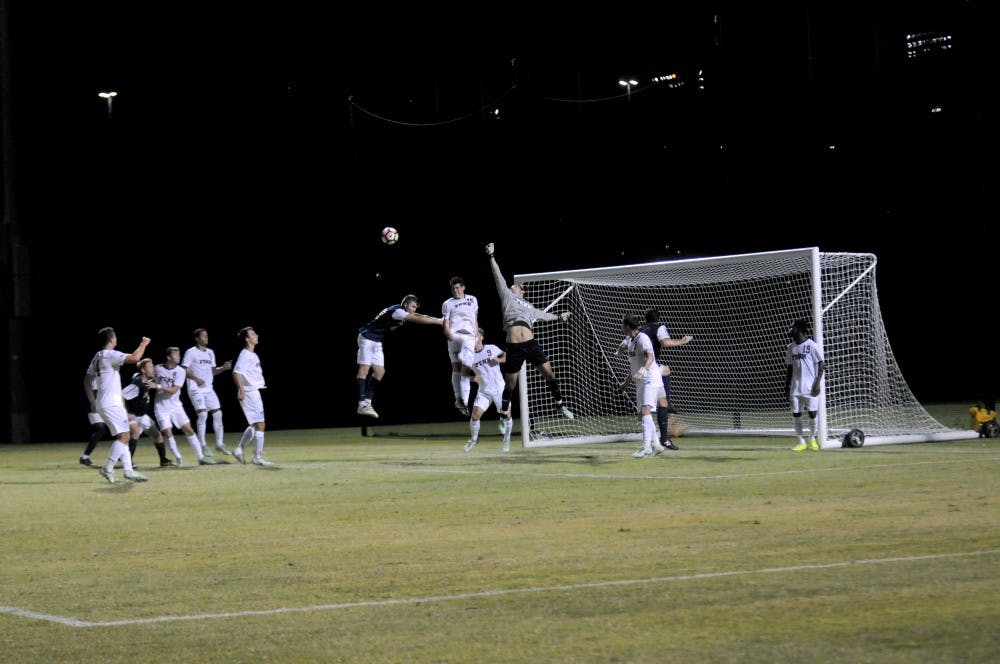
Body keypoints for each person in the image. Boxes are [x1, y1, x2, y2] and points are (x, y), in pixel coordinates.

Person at [485, 242, 574, 420]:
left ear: (522, 291)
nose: (513, 286)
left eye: (516, 286)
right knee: (510, 385)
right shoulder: (507, 297)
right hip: (514, 347)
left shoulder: (530, 307)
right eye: (512, 285)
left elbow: (543, 315)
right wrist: (491, 256)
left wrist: (559, 317)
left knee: (549, 373)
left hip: (531, 344)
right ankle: (503, 415)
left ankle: (560, 405)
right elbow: (498, 276)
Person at [356, 294, 444, 418]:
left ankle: (367, 403)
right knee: (364, 369)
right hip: (367, 338)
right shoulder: (398, 311)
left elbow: (418, 316)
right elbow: (418, 319)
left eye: (415, 308)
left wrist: (438, 319)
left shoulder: (399, 311)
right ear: (405, 304)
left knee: (380, 372)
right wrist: (439, 321)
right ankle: (361, 404)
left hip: (376, 340)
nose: (414, 310)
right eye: (412, 306)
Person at [84, 327, 151, 483]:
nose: (116, 339)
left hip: (105, 402)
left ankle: (128, 471)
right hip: (111, 403)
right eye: (115, 337)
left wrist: (92, 401)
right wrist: (143, 344)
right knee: (125, 436)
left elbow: (87, 381)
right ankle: (108, 468)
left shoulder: (97, 356)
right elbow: (135, 358)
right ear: (111, 339)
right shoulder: (110, 355)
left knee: (124, 435)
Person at [640, 308, 693, 450]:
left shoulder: (641, 330)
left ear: (645, 318)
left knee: (658, 402)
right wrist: (682, 341)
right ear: (658, 318)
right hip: (651, 369)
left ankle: (663, 439)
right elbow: (665, 342)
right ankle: (654, 442)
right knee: (648, 409)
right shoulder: (659, 328)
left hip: (642, 368)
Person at [154, 347, 216, 466]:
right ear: (169, 357)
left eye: (179, 355)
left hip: (176, 406)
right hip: (161, 407)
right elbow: (150, 376)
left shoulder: (180, 371)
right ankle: (179, 459)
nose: (179, 357)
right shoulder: (158, 368)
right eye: (176, 355)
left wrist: (157, 386)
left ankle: (201, 458)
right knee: (168, 433)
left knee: (189, 430)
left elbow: (173, 390)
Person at [617, 314, 667, 458]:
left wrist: (642, 371)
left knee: (646, 411)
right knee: (642, 415)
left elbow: (650, 357)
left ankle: (646, 448)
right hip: (641, 381)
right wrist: (625, 384)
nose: (621, 327)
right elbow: (634, 366)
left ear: (627, 326)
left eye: (622, 324)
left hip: (651, 379)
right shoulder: (631, 341)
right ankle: (657, 445)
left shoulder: (642, 338)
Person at [182, 328, 233, 457]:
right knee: (203, 415)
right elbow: (183, 370)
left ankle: (219, 444)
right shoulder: (191, 352)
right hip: (195, 388)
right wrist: (195, 378)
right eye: (203, 336)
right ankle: (203, 445)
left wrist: (224, 368)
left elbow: (213, 371)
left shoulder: (210, 352)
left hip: (208, 388)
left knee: (218, 414)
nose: (206, 338)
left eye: (207, 336)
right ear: (197, 338)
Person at [463, 328, 514, 453]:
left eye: (475, 336)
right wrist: (473, 378)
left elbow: (507, 356)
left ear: (481, 337)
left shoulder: (491, 348)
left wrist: (499, 360)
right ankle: (474, 440)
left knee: (507, 416)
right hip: (484, 391)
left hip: (499, 389)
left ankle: (506, 441)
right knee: (475, 417)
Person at [232, 326, 272, 466]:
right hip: (249, 392)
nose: (256, 335)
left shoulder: (252, 354)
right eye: (253, 334)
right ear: (247, 339)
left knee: (255, 424)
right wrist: (242, 390)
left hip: (253, 391)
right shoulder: (245, 354)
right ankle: (257, 457)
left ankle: (239, 449)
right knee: (261, 424)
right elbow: (236, 372)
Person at [123, 357, 171, 467]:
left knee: (158, 435)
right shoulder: (137, 383)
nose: (152, 368)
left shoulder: (147, 381)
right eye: (149, 367)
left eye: (152, 366)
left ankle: (163, 460)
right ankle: (128, 462)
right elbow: (122, 395)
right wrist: (126, 413)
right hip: (132, 415)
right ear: (143, 370)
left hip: (142, 415)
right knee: (135, 434)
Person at [785, 319, 825, 451]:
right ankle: (801, 442)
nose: (790, 330)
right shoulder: (790, 348)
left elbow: (821, 363)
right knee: (796, 415)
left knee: (813, 414)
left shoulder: (812, 345)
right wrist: (787, 387)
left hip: (811, 387)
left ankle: (812, 438)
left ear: (799, 329)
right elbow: (790, 368)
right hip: (795, 388)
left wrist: (818, 383)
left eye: (792, 328)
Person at [442, 275, 479, 416]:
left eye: (457, 287)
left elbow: (475, 319)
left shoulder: (472, 299)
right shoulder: (447, 303)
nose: (455, 290)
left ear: (463, 288)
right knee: (456, 368)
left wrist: (476, 337)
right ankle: (458, 398)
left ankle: (464, 402)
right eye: (453, 288)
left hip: (468, 336)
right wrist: (447, 333)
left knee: (465, 369)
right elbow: (445, 323)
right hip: (454, 336)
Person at [80, 373, 109, 466]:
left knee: (119, 430)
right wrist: (93, 402)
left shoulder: (109, 375)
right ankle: (85, 457)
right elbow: (93, 390)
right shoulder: (96, 376)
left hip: (107, 406)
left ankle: (122, 456)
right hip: (97, 407)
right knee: (100, 429)